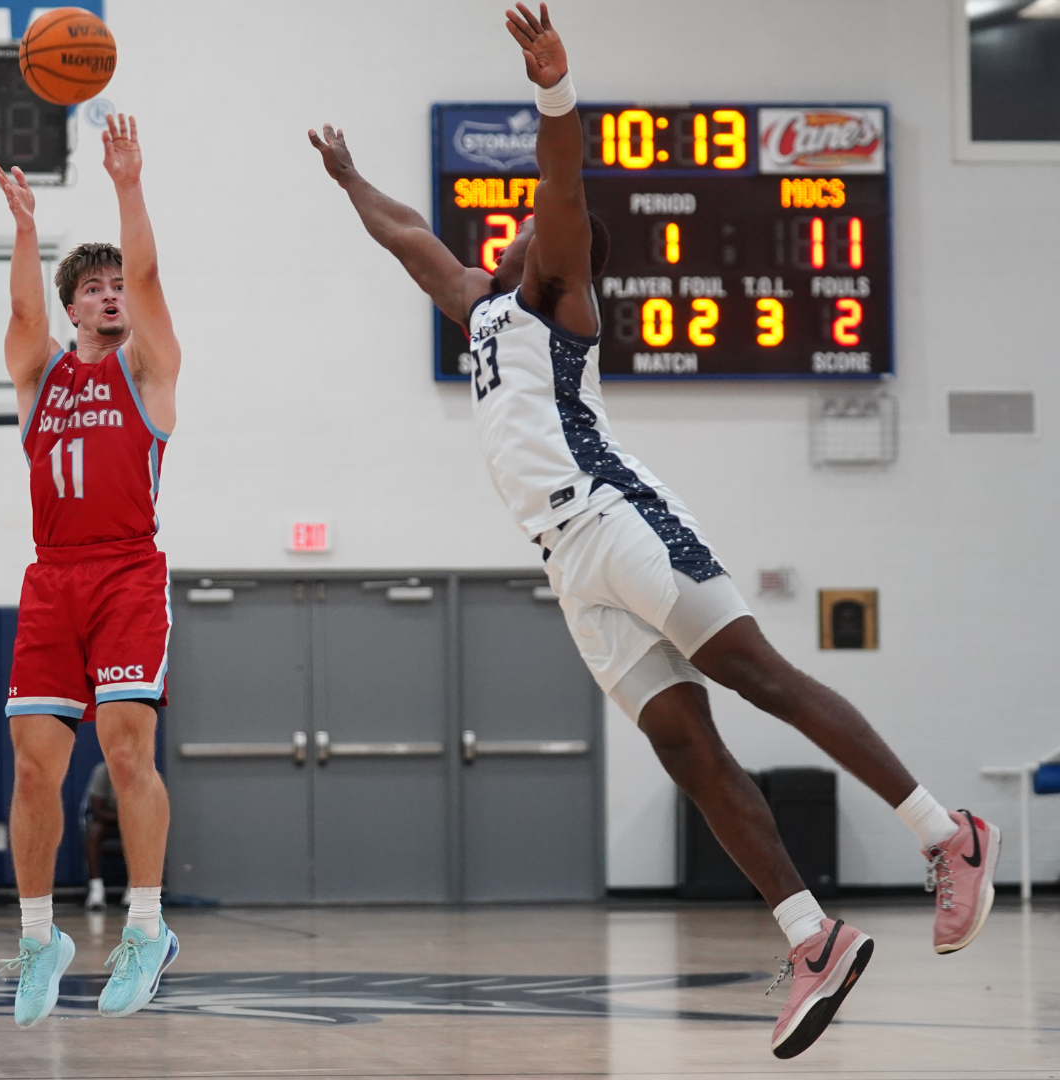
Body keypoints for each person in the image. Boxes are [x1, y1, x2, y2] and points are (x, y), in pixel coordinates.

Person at [309, 4, 999, 1060]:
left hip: (617, 521)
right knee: (685, 745)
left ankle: (950, 836)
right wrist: (351, 181)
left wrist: (553, 91)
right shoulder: (482, 308)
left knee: (763, 677)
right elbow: (410, 238)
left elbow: (564, 187)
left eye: (540, 223)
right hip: (568, 568)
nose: (525, 226)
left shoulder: (558, 291)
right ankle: (812, 937)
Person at [0, 112, 182, 1029]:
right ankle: (40, 938)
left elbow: (147, 278)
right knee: (33, 769)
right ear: (73, 307)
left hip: (126, 574)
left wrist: (128, 184)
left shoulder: (148, 372)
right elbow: (24, 314)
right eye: (94, 288)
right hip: (51, 578)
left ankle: (145, 926)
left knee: (125, 746)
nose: (112, 295)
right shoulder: (40, 375)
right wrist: (27, 231)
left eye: (116, 287)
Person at [81, 762, 118, 911]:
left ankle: (137, 889)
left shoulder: (142, 769)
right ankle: (96, 888)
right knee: (94, 830)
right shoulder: (103, 771)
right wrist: (121, 818)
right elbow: (96, 809)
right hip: (109, 819)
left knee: (140, 833)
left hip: (135, 821)